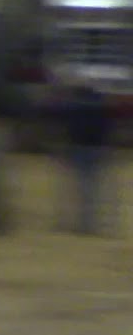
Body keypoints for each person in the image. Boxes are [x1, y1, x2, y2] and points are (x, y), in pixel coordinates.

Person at [49, 74, 118, 236]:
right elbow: (109, 129)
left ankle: (77, 223)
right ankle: (93, 223)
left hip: (78, 149)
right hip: (98, 149)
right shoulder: (102, 107)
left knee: (75, 188)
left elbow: (63, 123)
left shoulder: (74, 106)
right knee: (93, 189)